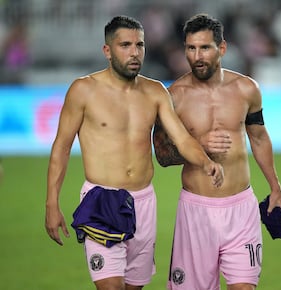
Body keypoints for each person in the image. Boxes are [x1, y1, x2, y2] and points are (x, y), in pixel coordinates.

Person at [45, 15, 224, 290]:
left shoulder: (155, 91)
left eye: (139, 45)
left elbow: (181, 138)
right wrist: (51, 203)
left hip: (143, 202)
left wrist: (205, 161)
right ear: (107, 50)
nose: (134, 52)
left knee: (134, 287)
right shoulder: (83, 90)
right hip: (101, 201)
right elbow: (61, 147)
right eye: (125, 45)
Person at [153, 14, 281, 290]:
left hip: (241, 209)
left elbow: (259, 138)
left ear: (222, 48)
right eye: (191, 48)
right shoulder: (174, 96)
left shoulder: (247, 89)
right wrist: (199, 145)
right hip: (196, 211)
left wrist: (276, 187)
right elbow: (162, 155)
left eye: (204, 48)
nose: (197, 56)